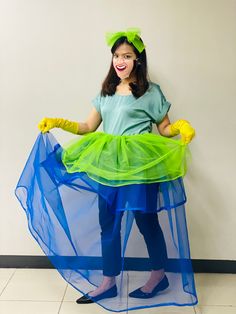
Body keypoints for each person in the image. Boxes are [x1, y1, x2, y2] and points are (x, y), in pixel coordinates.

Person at [18, 28, 197, 312]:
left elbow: (163, 128)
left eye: (126, 55)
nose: (120, 61)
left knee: (146, 222)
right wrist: (59, 122)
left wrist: (179, 128)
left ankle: (158, 277)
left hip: (140, 166)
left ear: (138, 59)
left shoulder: (151, 92)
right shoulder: (107, 92)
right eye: (116, 55)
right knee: (108, 224)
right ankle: (108, 281)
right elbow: (88, 127)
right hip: (110, 168)